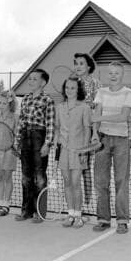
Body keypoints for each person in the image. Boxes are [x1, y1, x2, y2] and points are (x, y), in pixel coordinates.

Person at [91, 62, 131, 234]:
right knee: (101, 181)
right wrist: (94, 133)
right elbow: (96, 117)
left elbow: (124, 116)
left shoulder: (128, 92)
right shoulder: (101, 92)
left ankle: (122, 221)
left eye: (117, 73)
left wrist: (101, 117)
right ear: (107, 75)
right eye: (111, 73)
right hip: (102, 139)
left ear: (121, 75)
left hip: (121, 140)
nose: (113, 75)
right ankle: (103, 219)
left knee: (121, 181)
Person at [14, 69, 55, 223]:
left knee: (39, 177)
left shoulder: (47, 100)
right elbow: (22, 121)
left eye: (34, 79)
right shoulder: (25, 99)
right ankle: (26, 211)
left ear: (43, 83)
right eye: (29, 79)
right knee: (26, 177)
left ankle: (39, 212)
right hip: (25, 138)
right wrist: (18, 141)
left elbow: (50, 124)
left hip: (39, 138)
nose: (30, 81)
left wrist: (47, 143)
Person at [55, 76, 91, 228]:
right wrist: (58, 140)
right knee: (67, 182)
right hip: (64, 150)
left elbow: (87, 130)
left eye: (73, 88)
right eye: (67, 87)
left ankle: (79, 215)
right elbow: (57, 127)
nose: (69, 90)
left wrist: (84, 152)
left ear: (78, 90)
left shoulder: (85, 108)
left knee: (76, 182)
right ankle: (70, 214)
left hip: (78, 151)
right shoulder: (59, 107)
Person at [73, 52, 102, 205]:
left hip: (88, 129)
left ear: (89, 66)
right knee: (74, 166)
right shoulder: (73, 83)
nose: (78, 66)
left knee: (85, 165)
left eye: (81, 63)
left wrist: (95, 132)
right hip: (73, 130)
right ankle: (77, 202)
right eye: (76, 63)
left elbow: (98, 109)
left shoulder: (95, 83)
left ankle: (88, 202)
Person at [0, 90, 19, 216]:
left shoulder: (15, 118)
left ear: (10, 104)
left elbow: (18, 135)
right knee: (0, 177)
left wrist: (15, 147)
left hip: (10, 152)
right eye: (0, 103)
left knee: (7, 177)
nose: (1, 105)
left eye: (5, 103)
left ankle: (6, 205)